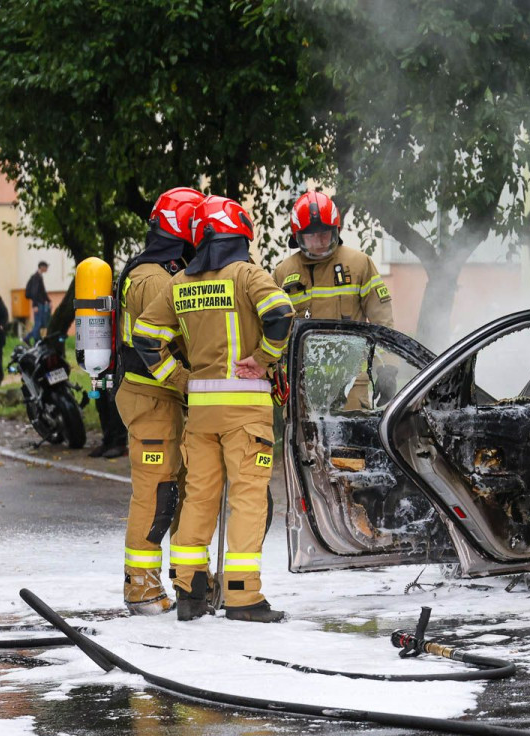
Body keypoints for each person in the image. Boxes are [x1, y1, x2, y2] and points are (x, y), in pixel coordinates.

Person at [134, 195, 294, 623]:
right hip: (245, 412)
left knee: (199, 499)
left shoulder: (180, 281)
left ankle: (190, 591)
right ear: (238, 233)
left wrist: (180, 379)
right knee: (247, 499)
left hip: (200, 413)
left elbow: (145, 336)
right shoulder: (246, 274)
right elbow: (281, 312)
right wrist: (263, 357)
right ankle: (242, 596)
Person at [115, 187, 205, 615]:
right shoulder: (151, 277)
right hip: (151, 397)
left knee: (190, 492)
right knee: (157, 494)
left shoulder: (175, 269)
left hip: (173, 398)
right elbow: (175, 340)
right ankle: (142, 588)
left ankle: (187, 584)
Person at [273, 190, 396, 407]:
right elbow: (273, 328)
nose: (319, 241)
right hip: (301, 390)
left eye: (324, 234)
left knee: (349, 442)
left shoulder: (359, 264)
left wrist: (386, 369)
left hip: (350, 388)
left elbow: (382, 321)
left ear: (336, 231)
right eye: (311, 236)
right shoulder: (283, 273)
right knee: (303, 443)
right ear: (298, 237)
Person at [45, 279, 129, 458]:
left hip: (115, 364)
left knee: (113, 402)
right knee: (101, 401)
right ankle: (107, 440)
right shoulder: (96, 307)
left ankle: (119, 442)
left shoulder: (120, 306)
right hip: (99, 362)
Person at [23, 261, 51, 344]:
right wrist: (35, 305)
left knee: (40, 323)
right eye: (46, 267)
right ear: (42, 267)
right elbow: (34, 292)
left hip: (40, 303)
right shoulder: (36, 277)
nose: (47, 269)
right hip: (38, 304)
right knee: (38, 324)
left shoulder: (39, 277)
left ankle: (34, 339)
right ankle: (34, 340)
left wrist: (48, 301)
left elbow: (42, 291)